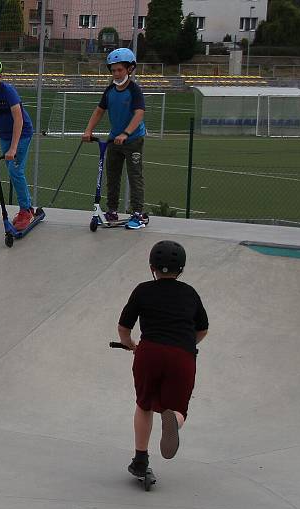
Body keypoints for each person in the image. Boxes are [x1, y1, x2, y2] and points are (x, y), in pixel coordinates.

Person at [117, 241, 209, 477]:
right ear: (182, 269)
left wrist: (130, 345)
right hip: (182, 356)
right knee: (178, 408)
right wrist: (186, 346)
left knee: (144, 405)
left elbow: (124, 328)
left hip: (149, 353)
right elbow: (202, 329)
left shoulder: (143, 290)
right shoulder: (190, 293)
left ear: (152, 267)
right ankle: (174, 422)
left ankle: (140, 459)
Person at [0, 56, 44, 231]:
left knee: (15, 170)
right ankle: (27, 207)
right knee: (13, 171)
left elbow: (18, 119)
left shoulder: (8, 91)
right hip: (4, 135)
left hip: (22, 132)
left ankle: (26, 210)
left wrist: (13, 147)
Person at [82, 48, 147, 229]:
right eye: (113, 70)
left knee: (135, 176)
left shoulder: (134, 90)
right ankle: (112, 210)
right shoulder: (110, 90)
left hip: (133, 139)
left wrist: (126, 134)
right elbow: (99, 111)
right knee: (112, 175)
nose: (116, 74)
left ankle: (137, 214)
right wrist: (88, 131)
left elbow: (139, 114)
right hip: (114, 140)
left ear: (130, 69)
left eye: (120, 70)